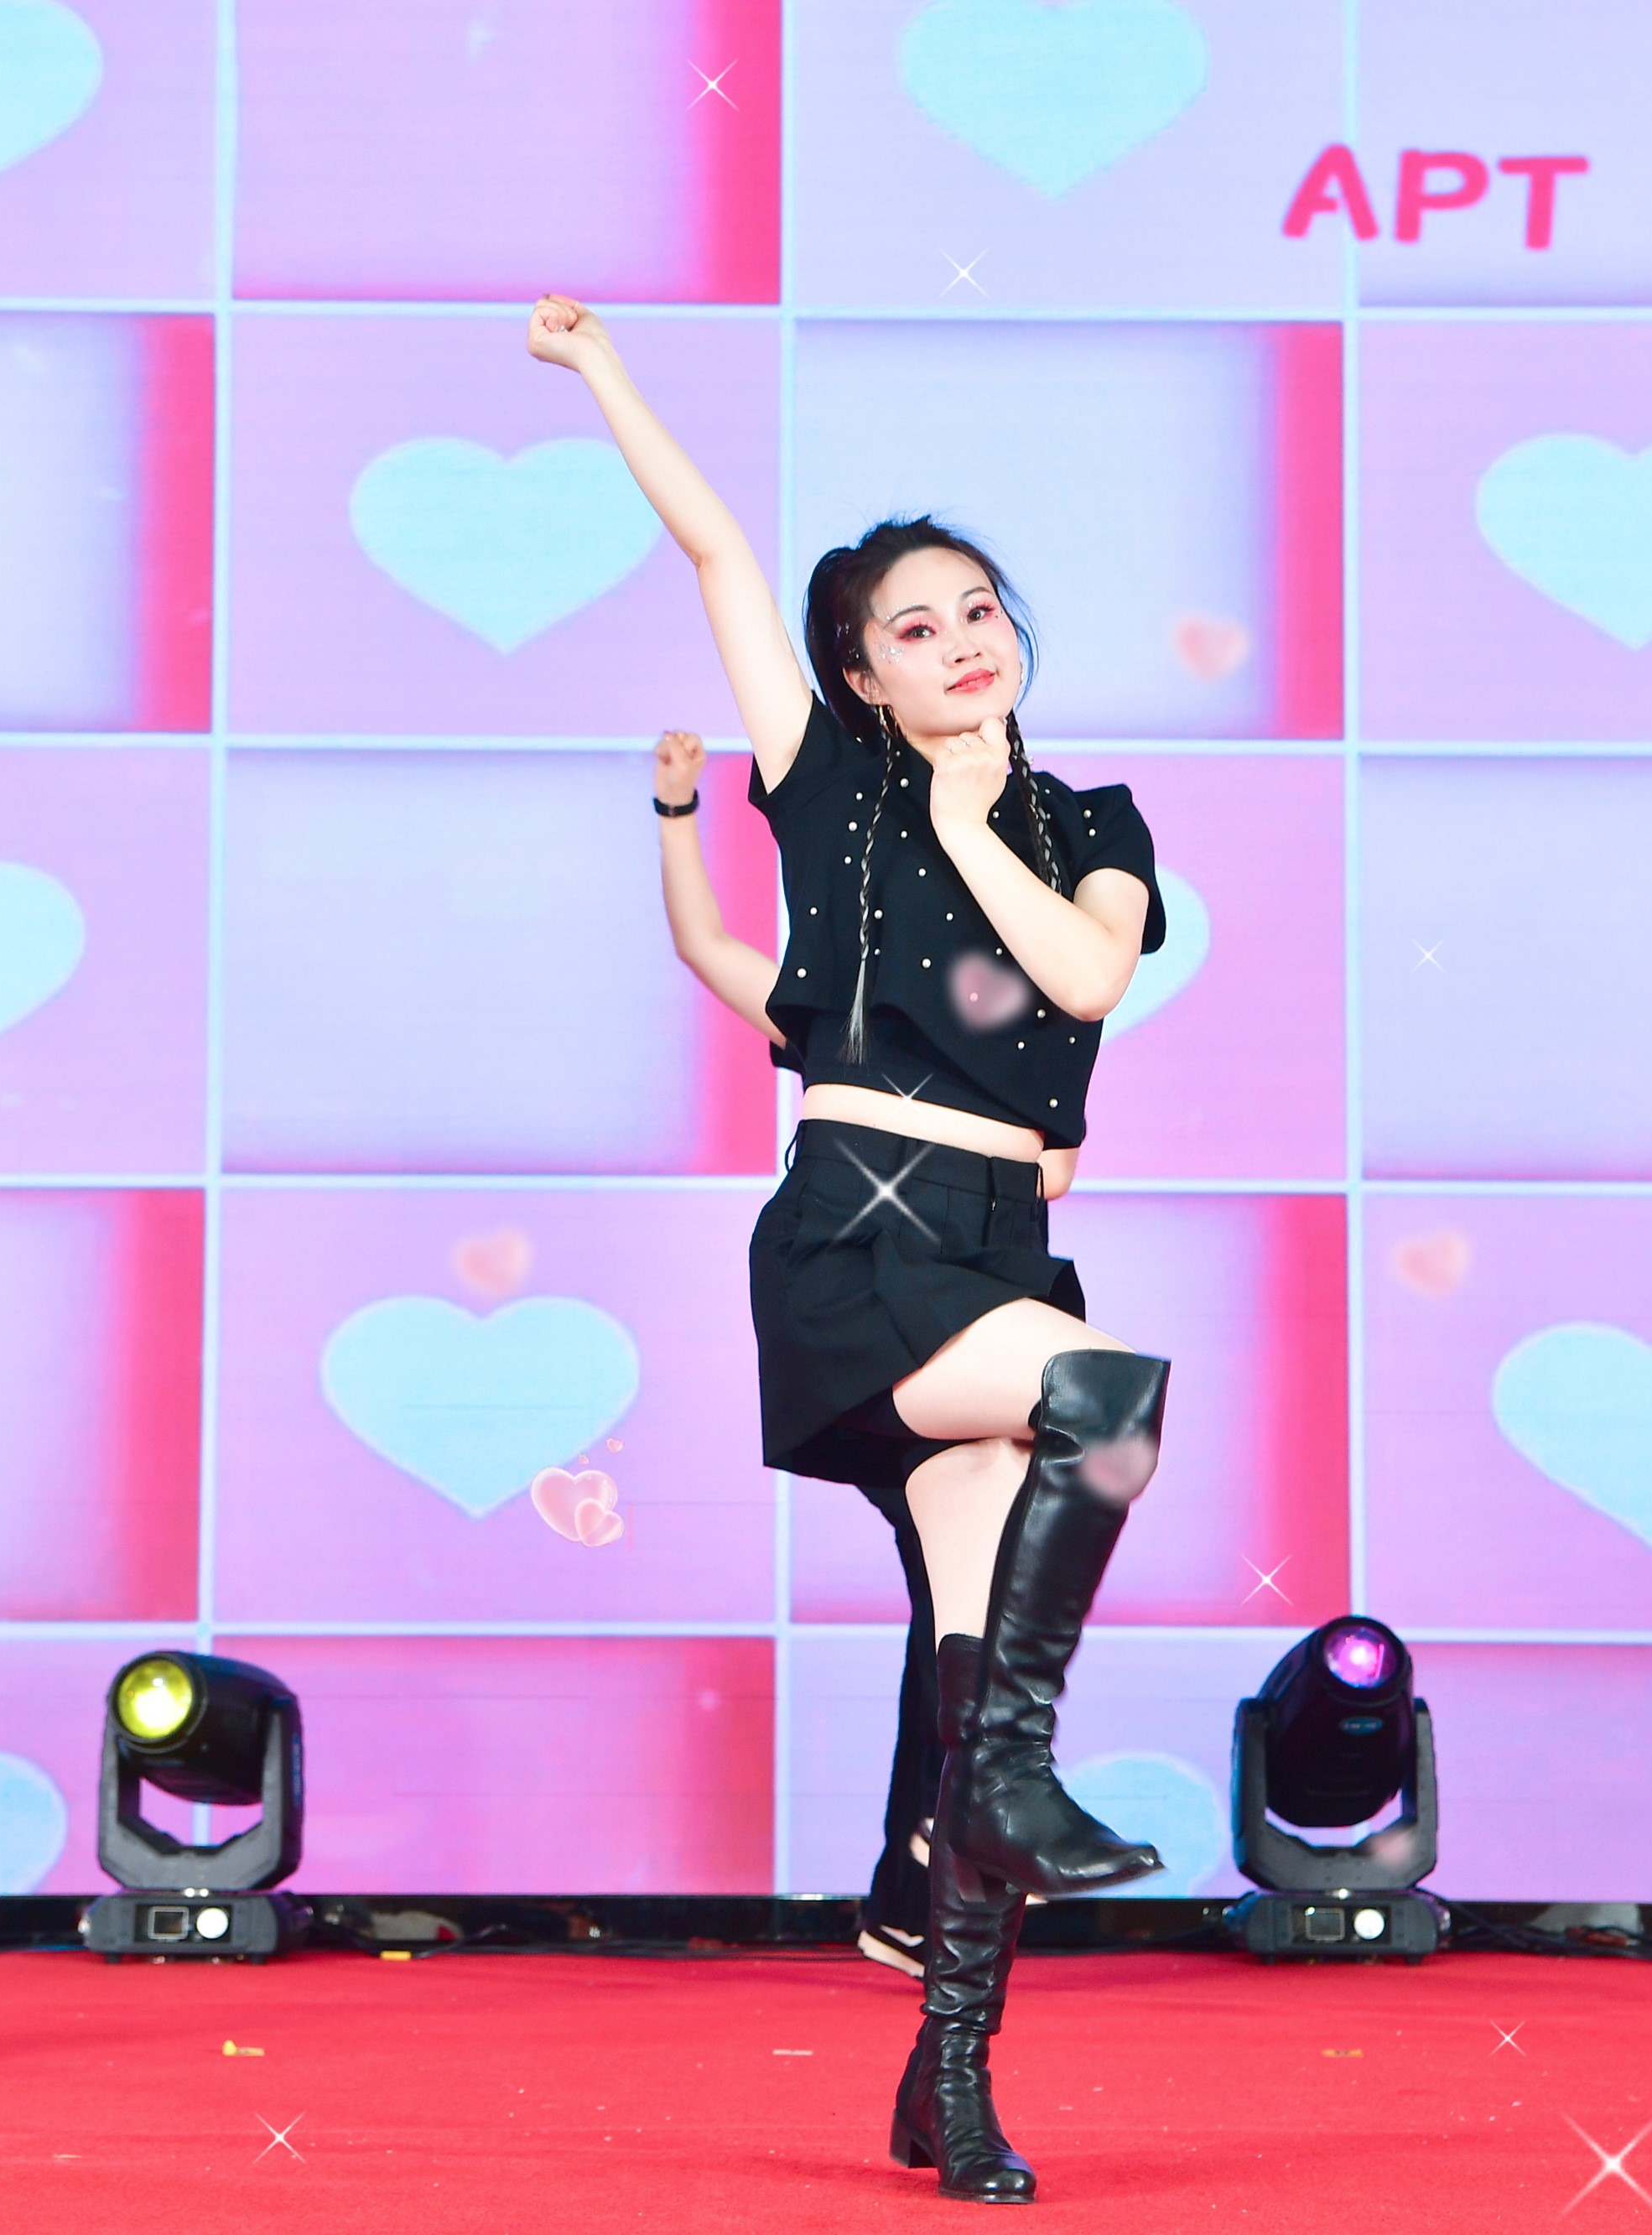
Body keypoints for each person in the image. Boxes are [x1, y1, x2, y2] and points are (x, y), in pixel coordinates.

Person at [543, 294, 1171, 2203]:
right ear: (858, 674)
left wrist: (984, 822)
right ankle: (1006, 1785)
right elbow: (720, 552)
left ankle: (946, 2074)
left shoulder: (1092, 819)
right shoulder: (829, 783)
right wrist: (605, 374)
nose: (959, 640)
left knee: (975, 1668)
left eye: (977, 610)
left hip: (997, 1243)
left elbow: (1085, 976)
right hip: (855, 1232)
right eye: (913, 628)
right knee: (1107, 1400)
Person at [652, 726, 1088, 1985]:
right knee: (968, 1607)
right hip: (883, 1305)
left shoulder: (1021, 1032)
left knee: (972, 1611)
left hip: (994, 1292)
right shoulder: (850, 1015)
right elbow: (707, 946)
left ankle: (922, 1888)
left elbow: (1055, 1162)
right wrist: (676, 812)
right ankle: (928, 1871)